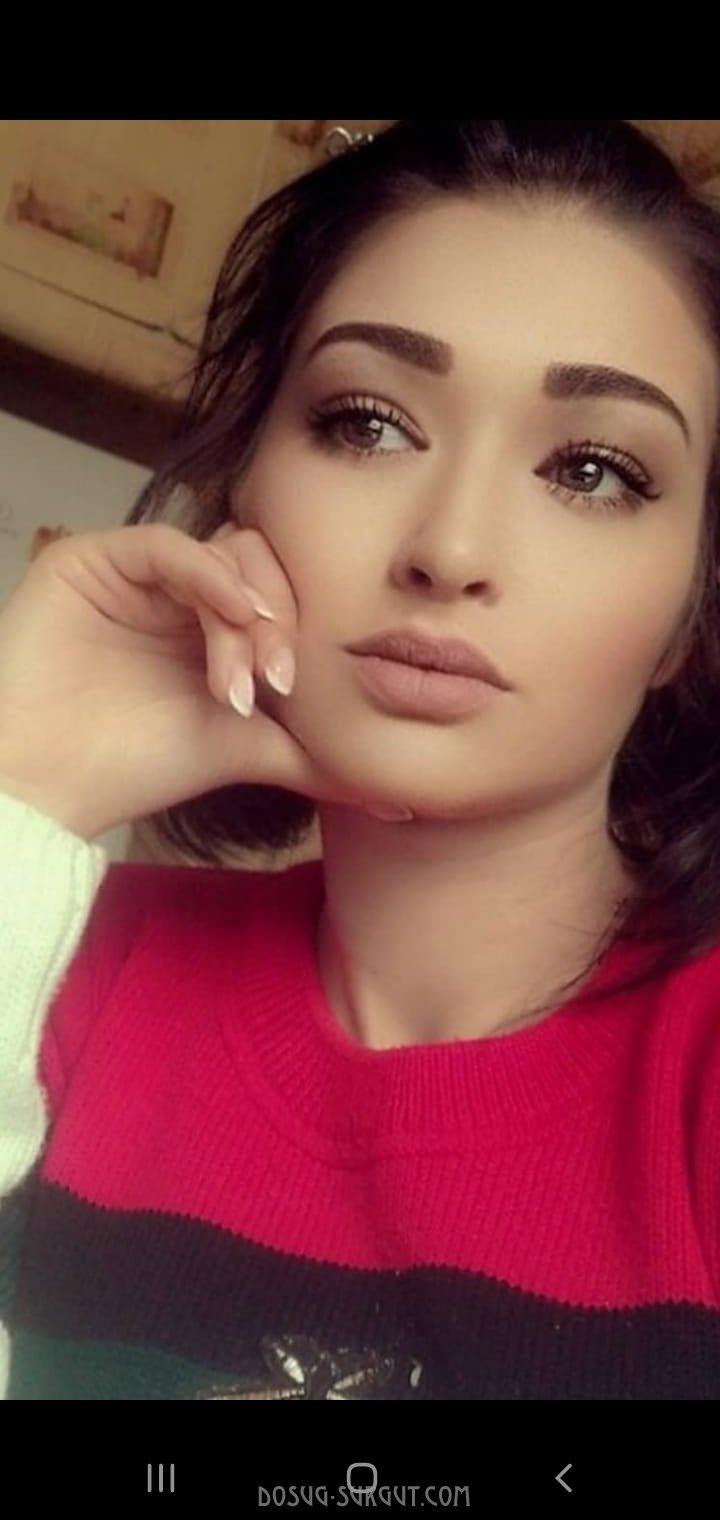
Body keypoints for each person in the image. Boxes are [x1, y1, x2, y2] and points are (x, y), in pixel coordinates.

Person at [2, 118, 720, 1402]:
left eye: (595, 469)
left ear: (688, 614)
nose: (450, 548)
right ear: (244, 488)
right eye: (369, 424)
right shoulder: (65, 962)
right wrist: (19, 785)